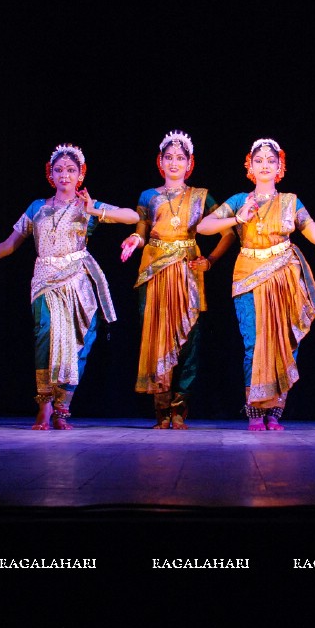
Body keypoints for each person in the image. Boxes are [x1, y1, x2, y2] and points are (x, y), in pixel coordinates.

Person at [197, 138, 315, 431]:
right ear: (250, 166)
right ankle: (255, 412)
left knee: (285, 343)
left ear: (280, 167)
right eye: (259, 160)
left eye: (271, 160)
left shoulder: (291, 202)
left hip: (284, 278)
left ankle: (275, 412)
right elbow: (203, 227)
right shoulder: (238, 200)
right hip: (247, 277)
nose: (265, 165)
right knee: (254, 344)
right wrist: (237, 216)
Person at [0, 143, 137, 429]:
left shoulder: (87, 205)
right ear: (50, 175)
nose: (65, 175)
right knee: (46, 333)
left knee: (79, 343)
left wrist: (94, 210)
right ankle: (44, 405)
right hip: (44, 278)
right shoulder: (37, 207)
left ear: (80, 175)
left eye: (71, 170)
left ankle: (63, 410)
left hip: (78, 281)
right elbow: (8, 245)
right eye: (59, 170)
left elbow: (133, 216)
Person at [119, 131, 236, 429]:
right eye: (169, 157)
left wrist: (209, 261)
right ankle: (161, 411)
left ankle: (180, 410)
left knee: (188, 341)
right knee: (156, 338)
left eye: (180, 158)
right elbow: (140, 229)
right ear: (160, 162)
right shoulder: (148, 196)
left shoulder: (201, 196)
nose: (174, 162)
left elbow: (227, 233)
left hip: (187, 273)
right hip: (155, 272)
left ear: (189, 163)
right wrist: (134, 240)